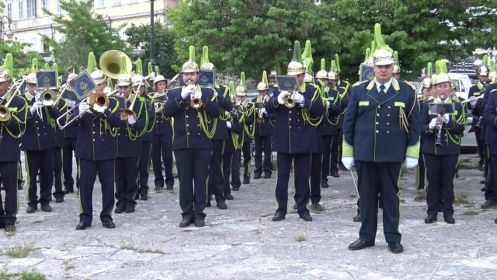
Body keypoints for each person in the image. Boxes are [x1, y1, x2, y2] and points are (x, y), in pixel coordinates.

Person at [342, 24, 420, 254]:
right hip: (365, 153)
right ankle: (366, 236)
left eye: (387, 66)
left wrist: (412, 152)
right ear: (373, 68)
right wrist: (347, 152)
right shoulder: (358, 90)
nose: (383, 70)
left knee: (391, 199)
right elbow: (349, 123)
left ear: (393, 67)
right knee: (366, 199)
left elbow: (415, 123)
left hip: (391, 153)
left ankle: (393, 238)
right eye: (379, 67)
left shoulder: (406, 91)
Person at [265, 40, 325, 222]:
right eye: (292, 76)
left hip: (304, 140)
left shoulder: (313, 90)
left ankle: (302, 207)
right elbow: (268, 109)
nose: (296, 79)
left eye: (298, 76)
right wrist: (278, 99)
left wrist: (303, 101)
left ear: (303, 75)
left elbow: (320, 109)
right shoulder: (279, 90)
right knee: (281, 178)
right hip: (284, 140)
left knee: (302, 177)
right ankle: (280, 208)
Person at [164, 46, 221, 227]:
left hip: (202, 143)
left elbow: (216, 112)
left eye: (192, 74)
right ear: (182, 76)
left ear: (198, 75)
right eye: (186, 75)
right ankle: (186, 213)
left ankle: (199, 214)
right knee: (185, 180)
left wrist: (202, 102)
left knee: (201, 179)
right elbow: (167, 112)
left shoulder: (207, 92)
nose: (189, 78)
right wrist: (182, 97)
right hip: (182, 143)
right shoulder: (174, 93)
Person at [74, 69, 121, 230]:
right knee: (84, 187)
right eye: (94, 85)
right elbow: (70, 125)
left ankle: (106, 216)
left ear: (105, 85)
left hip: (106, 150)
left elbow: (119, 123)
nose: (97, 89)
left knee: (108, 186)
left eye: (100, 85)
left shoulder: (114, 102)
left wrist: (104, 111)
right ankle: (85, 217)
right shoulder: (81, 101)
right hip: (86, 151)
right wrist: (79, 113)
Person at [422, 59, 466, 224]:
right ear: (434, 89)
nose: (442, 89)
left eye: (445, 86)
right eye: (439, 86)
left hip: (450, 149)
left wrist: (449, 121)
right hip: (431, 149)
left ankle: (448, 212)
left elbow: (460, 128)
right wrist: (430, 126)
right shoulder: (426, 105)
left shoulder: (458, 106)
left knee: (448, 182)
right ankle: (432, 212)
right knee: (432, 182)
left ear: (451, 88)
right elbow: (419, 128)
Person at [21, 71, 62, 214]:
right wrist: (31, 109)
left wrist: (48, 104)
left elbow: (57, 117)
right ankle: (32, 202)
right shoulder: (23, 100)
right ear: (27, 86)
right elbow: (20, 120)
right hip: (31, 143)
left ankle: (45, 200)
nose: (34, 88)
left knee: (47, 173)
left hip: (47, 142)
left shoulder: (45, 98)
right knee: (32, 175)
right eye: (32, 86)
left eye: (36, 86)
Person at [0, 63, 28, 232]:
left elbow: (21, 127)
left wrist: (7, 117)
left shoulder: (18, 101)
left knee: (11, 187)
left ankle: (10, 219)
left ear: (9, 83)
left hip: (9, 150)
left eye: (1, 83)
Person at [114, 73, 147, 214]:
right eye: (120, 87)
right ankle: (120, 201)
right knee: (119, 175)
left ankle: (130, 201)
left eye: (125, 87)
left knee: (131, 174)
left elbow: (144, 125)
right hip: (117, 142)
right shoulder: (113, 101)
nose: (122, 91)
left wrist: (133, 121)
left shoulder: (140, 102)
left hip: (132, 142)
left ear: (131, 87)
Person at [231, 74, 254, 191]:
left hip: (246, 136)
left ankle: (247, 175)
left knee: (247, 157)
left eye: (242, 97)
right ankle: (235, 179)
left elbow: (250, 120)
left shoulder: (250, 106)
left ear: (245, 96)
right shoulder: (233, 106)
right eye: (238, 96)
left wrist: (241, 113)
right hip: (236, 136)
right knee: (235, 158)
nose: (240, 98)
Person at [134, 74, 155, 201]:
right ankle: (134, 189)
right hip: (134, 136)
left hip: (146, 136)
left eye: (140, 87)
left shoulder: (148, 101)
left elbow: (151, 117)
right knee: (134, 165)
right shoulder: (131, 101)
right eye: (136, 86)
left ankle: (144, 189)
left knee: (144, 165)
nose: (138, 89)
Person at [151, 75, 174, 191]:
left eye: (163, 84)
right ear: (155, 86)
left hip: (166, 129)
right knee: (155, 158)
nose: (162, 86)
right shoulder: (152, 98)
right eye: (159, 84)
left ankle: (169, 181)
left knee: (167, 157)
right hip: (154, 130)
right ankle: (158, 182)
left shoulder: (169, 97)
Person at [252, 71, 273, 180]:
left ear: (266, 91)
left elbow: (274, 115)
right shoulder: (255, 100)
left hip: (267, 128)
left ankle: (268, 170)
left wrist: (267, 113)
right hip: (258, 128)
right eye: (260, 91)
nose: (261, 93)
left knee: (268, 152)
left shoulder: (270, 101)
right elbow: (251, 115)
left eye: (263, 91)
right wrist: (254, 111)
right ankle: (258, 170)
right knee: (258, 152)